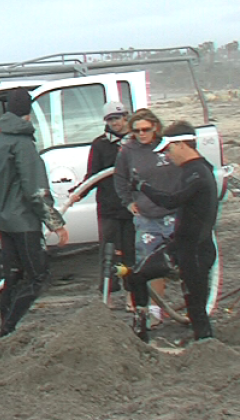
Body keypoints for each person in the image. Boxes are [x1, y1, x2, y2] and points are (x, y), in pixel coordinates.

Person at [0, 88, 69, 341]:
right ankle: (8, 328)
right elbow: (35, 190)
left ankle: (5, 328)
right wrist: (55, 223)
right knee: (38, 276)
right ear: (29, 112)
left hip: (2, 220)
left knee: (13, 276)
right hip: (24, 221)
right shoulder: (23, 143)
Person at [123, 121, 218, 342]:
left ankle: (206, 349)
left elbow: (171, 201)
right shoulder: (192, 171)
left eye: (170, 149)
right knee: (136, 276)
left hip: (195, 253)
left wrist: (142, 186)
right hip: (181, 249)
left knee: (197, 311)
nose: (168, 155)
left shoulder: (198, 173)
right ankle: (140, 333)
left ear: (183, 145)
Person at [114, 108, 182, 329]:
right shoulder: (127, 151)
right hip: (146, 219)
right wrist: (128, 202)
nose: (141, 134)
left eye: (145, 129)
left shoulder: (170, 147)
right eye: (136, 131)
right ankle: (154, 312)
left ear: (155, 127)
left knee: (184, 264)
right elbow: (120, 179)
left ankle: (194, 307)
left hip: (174, 216)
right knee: (149, 267)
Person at [67, 102, 135, 306]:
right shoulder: (100, 145)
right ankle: (108, 297)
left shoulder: (136, 142)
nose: (115, 123)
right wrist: (78, 193)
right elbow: (93, 175)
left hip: (133, 209)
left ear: (126, 118)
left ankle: (133, 296)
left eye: (118, 118)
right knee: (108, 253)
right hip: (109, 209)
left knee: (132, 253)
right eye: (110, 119)